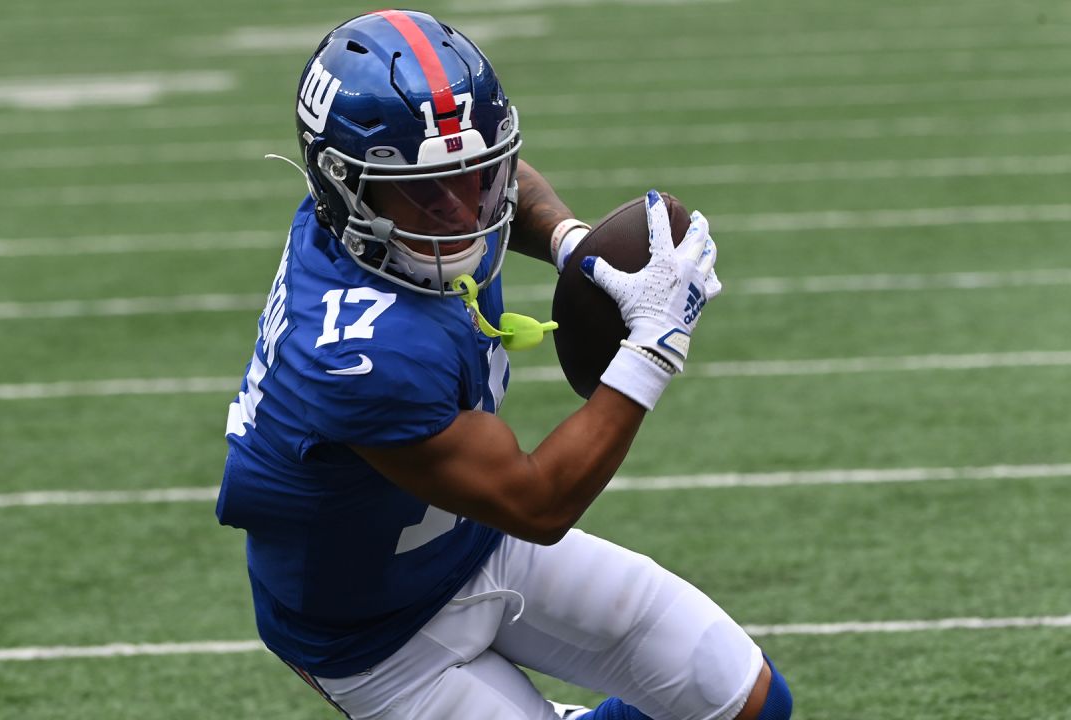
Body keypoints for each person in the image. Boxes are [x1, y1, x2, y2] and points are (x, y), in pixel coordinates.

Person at [217, 10, 793, 720]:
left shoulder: (389, 203)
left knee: (741, 700)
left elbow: (486, 175)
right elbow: (537, 502)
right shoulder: (355, 354)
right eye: (426, 192)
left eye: (474, 176)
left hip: (471, 543)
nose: (463, 213)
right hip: (376, 636)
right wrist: (651, 346)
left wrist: (574, 244)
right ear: (343, 185)